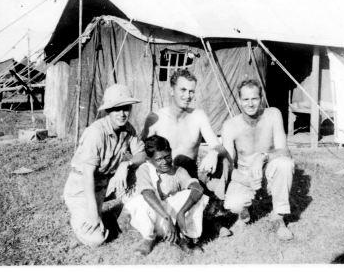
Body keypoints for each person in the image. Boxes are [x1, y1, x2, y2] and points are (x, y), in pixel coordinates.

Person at [63, 84, 148, 247]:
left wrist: (126, 163)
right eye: (117, 109)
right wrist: (94, 214)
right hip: (81, 187)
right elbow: (88, 175)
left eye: (126, 108)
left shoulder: (128, 129)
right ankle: (79, 217)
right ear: (108, 110)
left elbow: (142, 154)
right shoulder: (96, 132)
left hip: (106, 183)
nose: (122, 114)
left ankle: (128, 213)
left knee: (145, 170)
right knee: (96, 240)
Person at [142, 69, 232, 217]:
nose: (187, 96)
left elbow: (219, 146)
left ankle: (215, 206)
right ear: (172, 90)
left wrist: (214, 152)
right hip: (165, 176)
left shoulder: (198, 116)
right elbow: (142, 151)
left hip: (190, 173)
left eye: (191, 91)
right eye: (183, 90)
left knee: (223, 160)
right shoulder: (155, 118)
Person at [221, 79, 295, 240]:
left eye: (254, 98)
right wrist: (246, 180)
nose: (250, 104)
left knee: (285, 164)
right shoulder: (230, 125)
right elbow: (227, 167)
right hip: (245, 175)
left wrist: (263, 156)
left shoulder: (273, 114)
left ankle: (278, 217)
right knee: (233, 204)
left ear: (261, 98)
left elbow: (285, 151)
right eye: (245, 99)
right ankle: (244, 213)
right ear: (239, 100)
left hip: (269, 173)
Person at [122, 135, 209, 255]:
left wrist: (182, 212)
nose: (165, 162)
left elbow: (198, 188)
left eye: (167, 157)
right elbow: (147, 194)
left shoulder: (178, 171)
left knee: (195, 195)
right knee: (141, 200)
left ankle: (184, 238)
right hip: (153, 218)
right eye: (159, 159)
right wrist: (166, 217)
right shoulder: (145, 169)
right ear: (149, 159)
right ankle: (149, 239)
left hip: (173, 222)